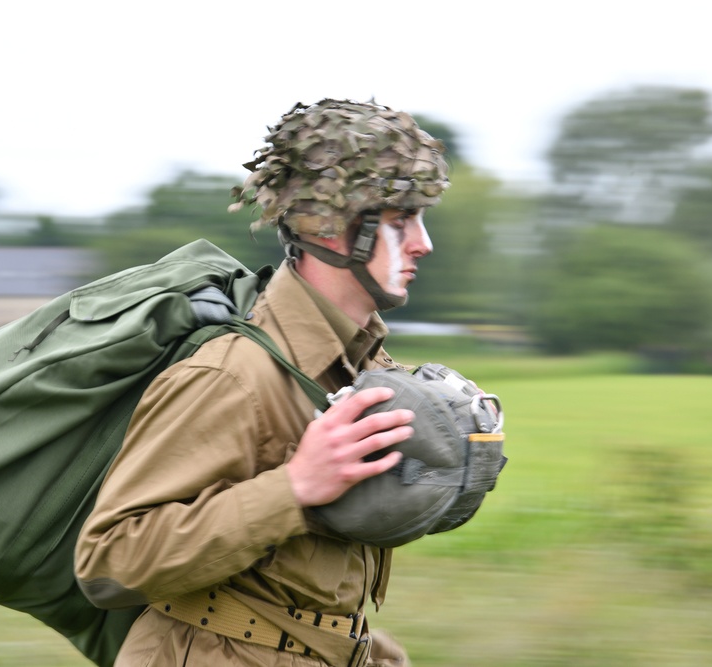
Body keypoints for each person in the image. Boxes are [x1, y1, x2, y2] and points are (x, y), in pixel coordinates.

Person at [74, 98, 450, 667]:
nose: (424, 243)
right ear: (330, 225)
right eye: (402, 221)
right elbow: (109, 562)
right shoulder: (231, 375)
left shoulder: (362, 369)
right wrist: (294, 487)